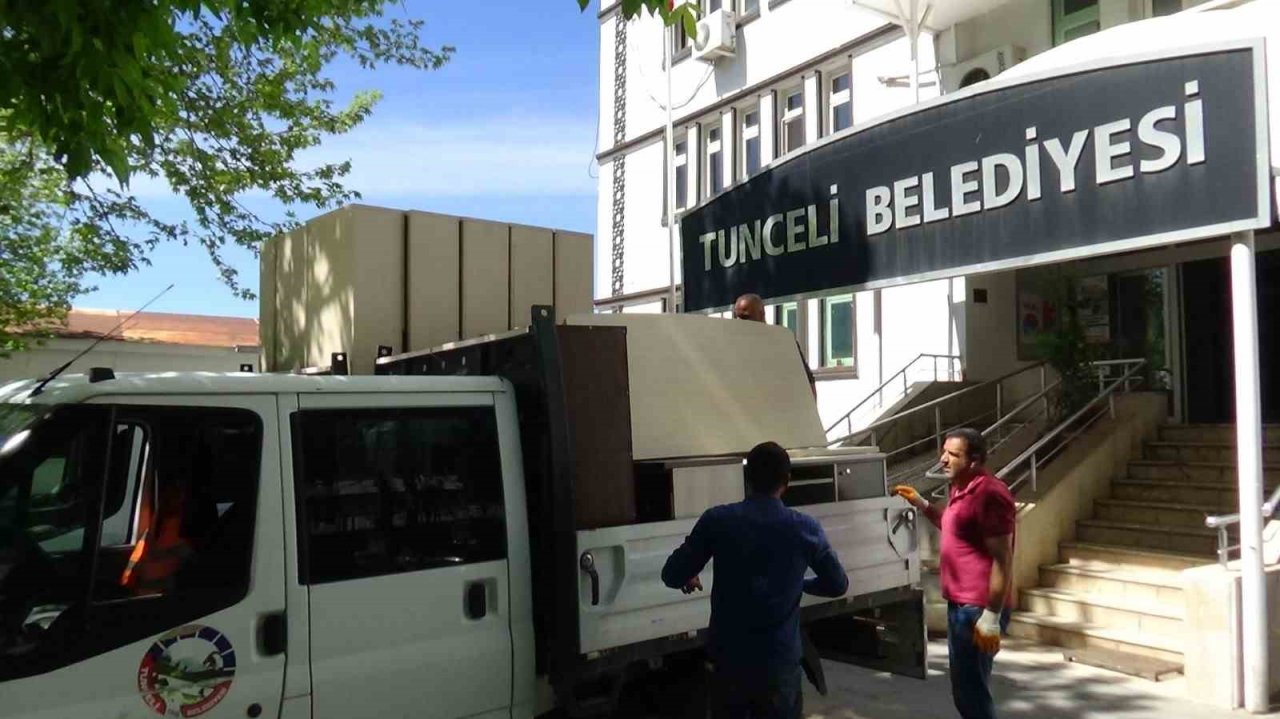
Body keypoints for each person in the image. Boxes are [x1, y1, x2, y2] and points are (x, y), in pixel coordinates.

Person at [661, 441, 848, 719]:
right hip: (779, 668)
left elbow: (671, 574)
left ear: (746, 479)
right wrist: (799, 584)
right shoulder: (805, 529)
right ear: (787, 481)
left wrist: (688, 573)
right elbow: (838, 585)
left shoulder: (718, 521)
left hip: (729, 667)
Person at [892, 428, 1015, 719]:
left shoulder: (990, 494)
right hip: (960, 605)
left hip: (978, 609)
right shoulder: (960, 487)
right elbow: (953, 525)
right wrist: (922, 504)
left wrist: (992, 616)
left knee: (971, 693)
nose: (944, 459)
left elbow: (1003, 558)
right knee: (965, 689)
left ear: (975, 460)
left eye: (953, 454)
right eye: (944, 452)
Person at [733, 293, 816, 397]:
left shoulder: (782, 342)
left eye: (745, 317)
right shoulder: (734, 346)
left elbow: (807, 380)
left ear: (761, 313)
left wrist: (810, 411)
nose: (740, 323)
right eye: (737, 318)